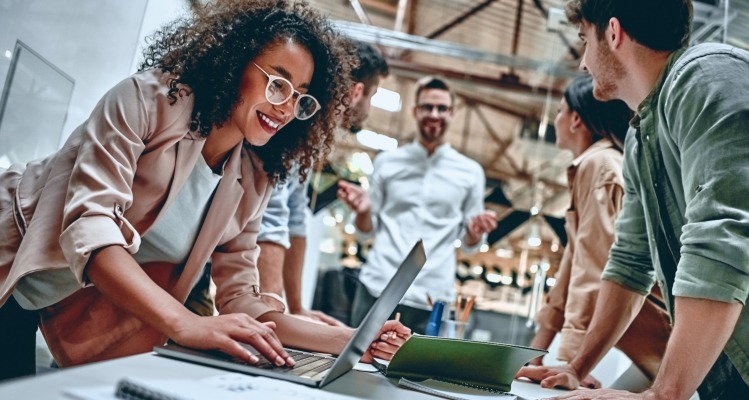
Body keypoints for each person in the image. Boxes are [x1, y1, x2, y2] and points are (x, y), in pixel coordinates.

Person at [0, 0, 409, 382]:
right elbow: (92, 230)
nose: (286, 109)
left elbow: (242, 300)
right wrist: (187, 322)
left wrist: (354, 340)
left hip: (58, 301)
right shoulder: (145, 101)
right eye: (278, 85)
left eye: (301, 98)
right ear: (234, 64)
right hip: (10, 265)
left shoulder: (253, 176)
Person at [516, 0, 749, 399]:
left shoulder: (709, 77)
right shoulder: (640, 137)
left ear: (613, 33)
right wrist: (576, 368)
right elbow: (631, 261)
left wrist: (661, 395)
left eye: (585, 41)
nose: (583, 63)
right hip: (733, 373)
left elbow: (723, 239)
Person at [527, 75, 670, 389]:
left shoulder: (600, 166)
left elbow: (594, 267)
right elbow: (571, 264)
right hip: (642, 343)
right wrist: (535, 351)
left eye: (560, 110)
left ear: (577, 119)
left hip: (658, 340)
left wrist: (572, 362)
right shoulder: (591, 166)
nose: (556, 118)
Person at [337, 76, 498, 334]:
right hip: (378, 287)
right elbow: (366, 230)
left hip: (432, 296)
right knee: (357, 365)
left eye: (442, 108)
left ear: (453, 113)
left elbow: (471, 246)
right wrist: (364, 211)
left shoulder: (471, 172)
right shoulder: (388, 162)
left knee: (418, 373)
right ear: (415, 111)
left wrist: (475, 232)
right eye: (427, 107)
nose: (434, 114)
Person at [255, 41, 389, 326]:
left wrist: (296, 308)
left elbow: (295, 218)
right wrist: (275, 316)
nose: (368, 108)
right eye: (372, 96)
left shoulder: (313, 136)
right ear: (356, 92)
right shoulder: (296, 123)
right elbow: (273, 218)